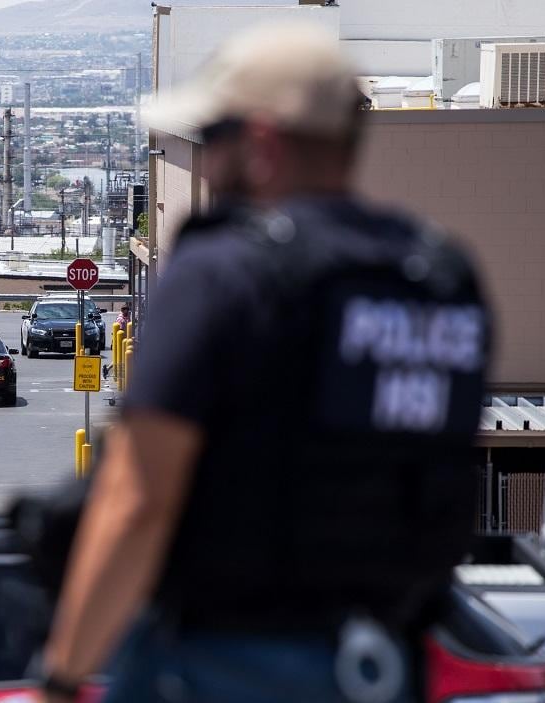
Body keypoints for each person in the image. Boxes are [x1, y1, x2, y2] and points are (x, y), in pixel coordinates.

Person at [34, 22, 490, 703]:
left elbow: (138, 499)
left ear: (263, 143)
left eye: (214, 139)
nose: (208, 162)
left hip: (221, 665)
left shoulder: (225, 273)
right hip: (388, 666)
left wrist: (64, 675)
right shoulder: (443, 282)